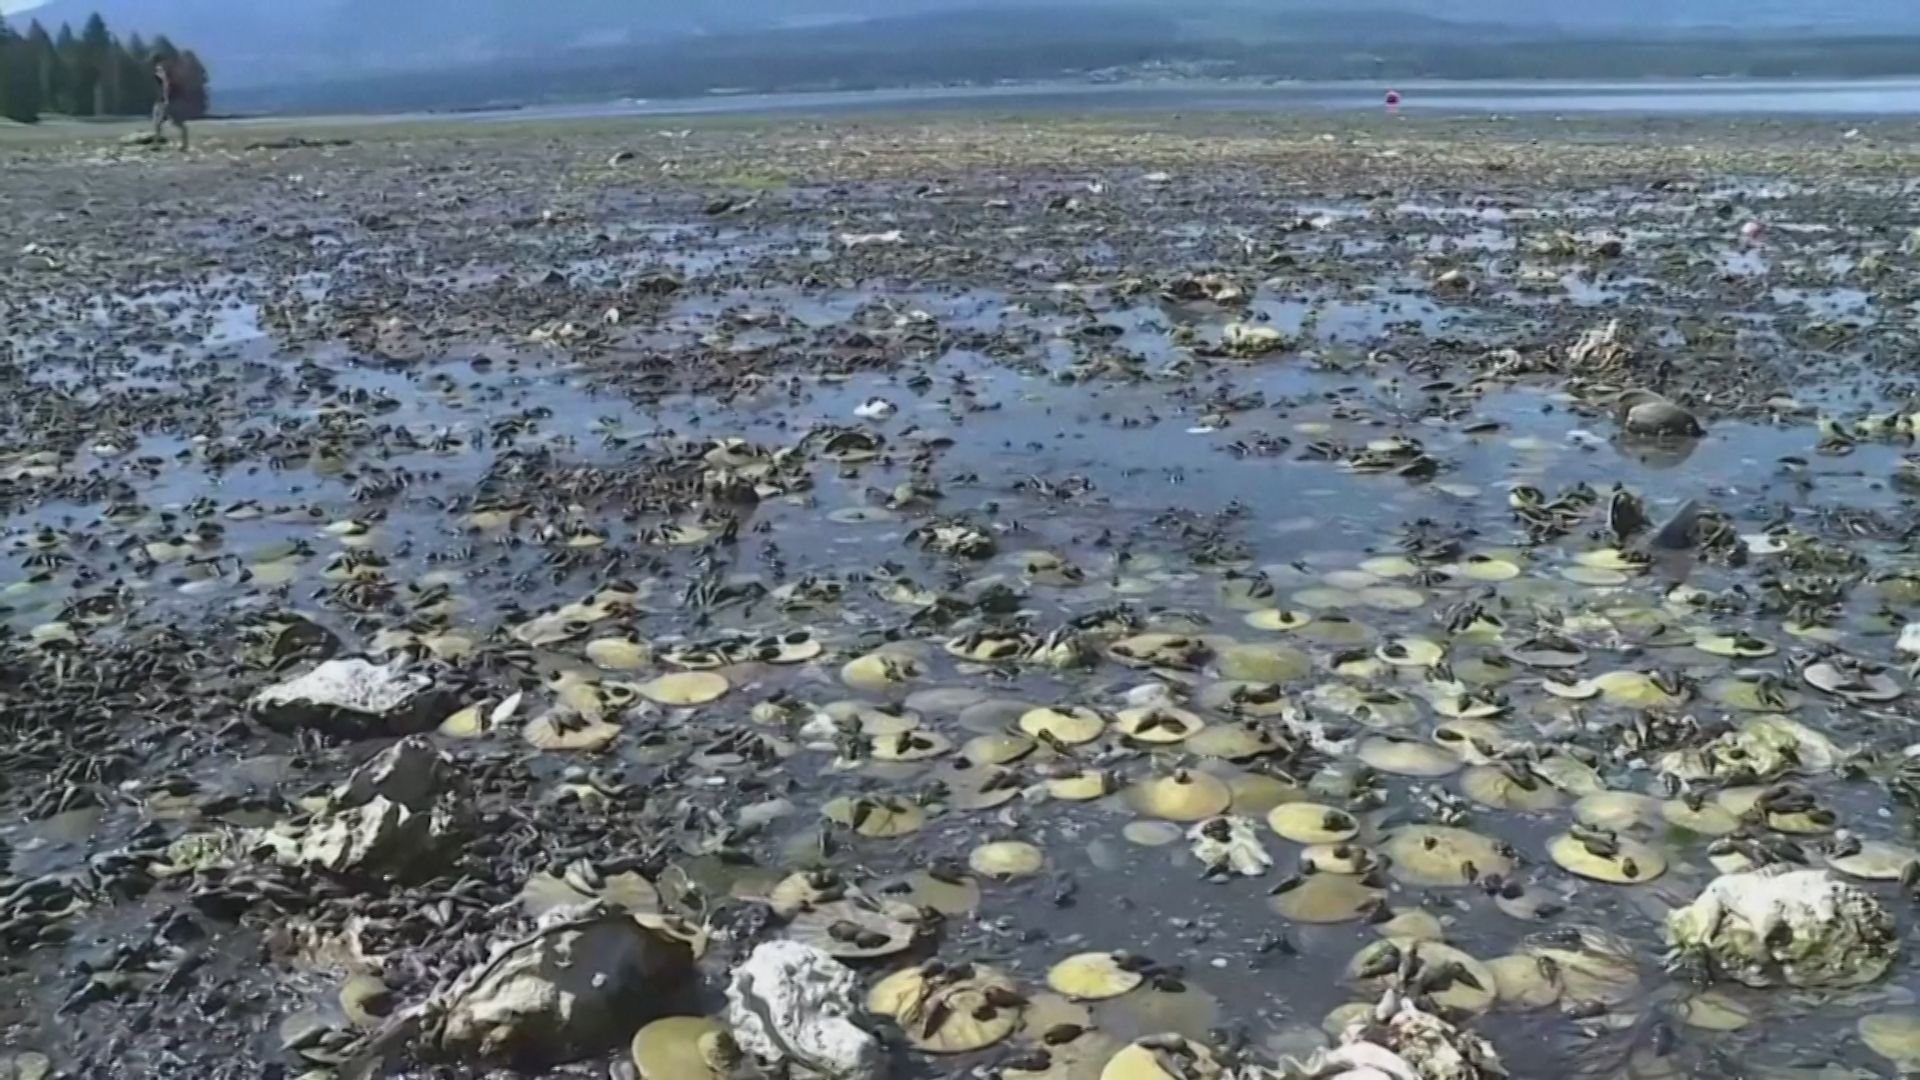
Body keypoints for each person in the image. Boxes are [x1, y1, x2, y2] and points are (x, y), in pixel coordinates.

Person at [152, 57, 189, 151]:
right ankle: (183, 144)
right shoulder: (167, 72)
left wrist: (166, 99)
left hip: (165, 101)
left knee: (161, 123)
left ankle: (157, 145)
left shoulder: (162, 72)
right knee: (163, 123)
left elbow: (166, 85)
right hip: (167, 100)